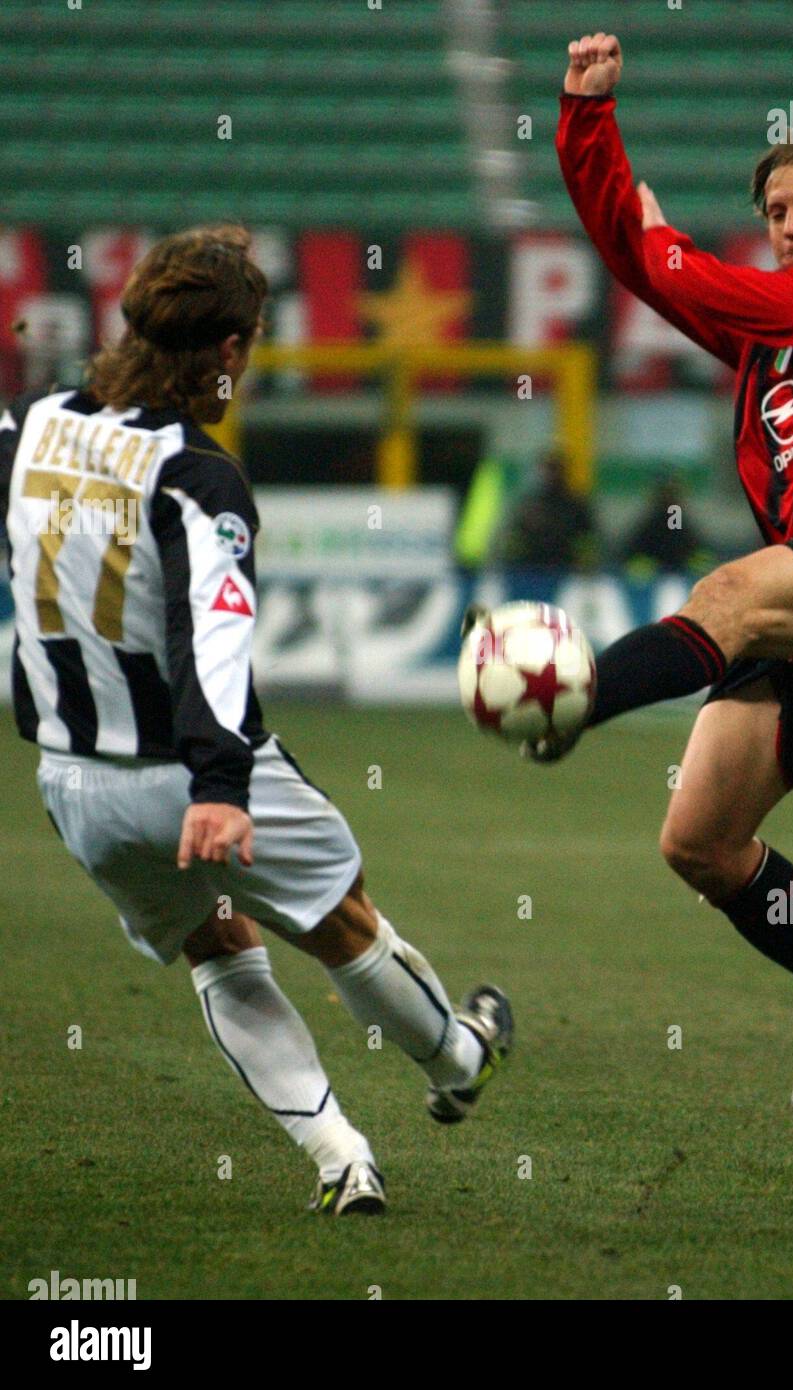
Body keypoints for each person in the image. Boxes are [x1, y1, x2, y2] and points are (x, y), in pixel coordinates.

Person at [0, 225, 513, 1216]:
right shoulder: (199, 474)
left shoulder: (26, 425)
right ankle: (457, 1059)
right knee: (342, 919)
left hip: (72, 781)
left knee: (216, 945)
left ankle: (339, 1157)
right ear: (230, 352)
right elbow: (216, 638)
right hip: (186, 771)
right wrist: (222, 788)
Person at [506, 32, 793, 1114]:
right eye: (775, 213)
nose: (791, 227)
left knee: (721, 594)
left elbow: (782, 304)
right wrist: (584, 113)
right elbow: (630, 251)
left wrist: (666, 255)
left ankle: (572, 697)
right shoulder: (758, 330)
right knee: (700, 841)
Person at [501, 448, 600, 570]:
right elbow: (515, 539)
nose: (552, 474)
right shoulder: (530, 505)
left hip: (566, 569)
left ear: (564, 471)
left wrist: (584, 564)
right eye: (549, 469)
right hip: (531, 570)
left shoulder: (576, 505)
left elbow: (587, 539)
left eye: (555, 469)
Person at [620, 476, 716, 579]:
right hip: (654, 580)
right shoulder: (656, 522)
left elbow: (685, 545)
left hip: (678, 576)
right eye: (666, 493)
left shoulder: (674, 517)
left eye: (672, 493)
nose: (668, 497)